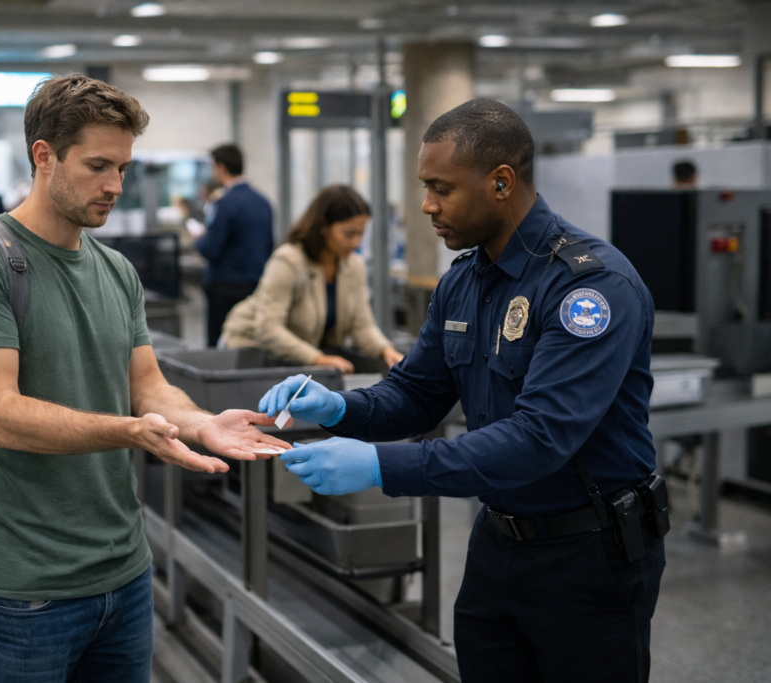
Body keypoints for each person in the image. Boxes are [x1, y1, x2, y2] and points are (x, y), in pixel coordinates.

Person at [260, 100, 664, 682]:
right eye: (425, 187)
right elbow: (415, 394)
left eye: (441, 188)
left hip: (587, 554)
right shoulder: (464, 282)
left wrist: (380, 466)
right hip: (498, 543)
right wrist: (340, 407)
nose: (427, 205)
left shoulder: (588, 288)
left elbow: (539, 438)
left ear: (501, 182)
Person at [0, 74, 288, 683]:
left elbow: (147, 386)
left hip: (124, 576)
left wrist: (199, 423)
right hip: (22, 591)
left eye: (122, 168)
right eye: (98, 166)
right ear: (44, 156)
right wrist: (129, 432)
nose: (115, 186)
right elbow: (1, 416)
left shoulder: (116, 270)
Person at [221, 185, 405, 373]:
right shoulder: (289, 260)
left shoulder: (353, 266)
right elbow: (268, 328)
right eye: (348, 233)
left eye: (361, 233)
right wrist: (318, 359)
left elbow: (362, 325)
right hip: (249, 351)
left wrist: (386, 350)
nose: (356, 242)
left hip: (295, 358)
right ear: (324, 227)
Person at [195, 143, 274, 347]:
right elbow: (269, 245)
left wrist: (199, 238)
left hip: (225, 289)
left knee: (219, 347)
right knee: (249, 344)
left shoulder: (223, 203)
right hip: (256, 287)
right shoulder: (263, 202)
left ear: (221, 168)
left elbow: (211, 248)